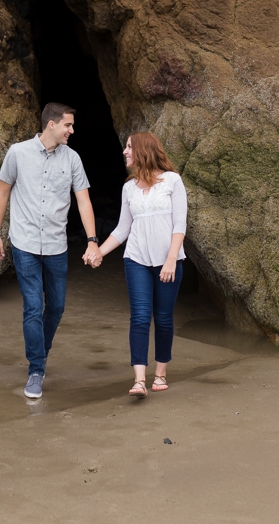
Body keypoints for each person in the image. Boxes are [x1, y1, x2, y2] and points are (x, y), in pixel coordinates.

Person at [0, 103, 97, 400]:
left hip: (55, 244)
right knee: (33, 307)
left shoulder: (73, 159)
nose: (72, 131)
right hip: (24, 242)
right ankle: (36, 369)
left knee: (58, 306)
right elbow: (3, 192)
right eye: (68, 125)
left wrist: (92, 239)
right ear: (51, 124)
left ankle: (40, 347)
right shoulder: (18, 153)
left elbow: (84, 201)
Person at [85, 132, 187, 397]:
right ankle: (140, 379)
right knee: (140, 317)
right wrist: (99, 253)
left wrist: (171, 260)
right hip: (137, 259)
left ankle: (161, 372)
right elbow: (122, 229)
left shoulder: (172, 182)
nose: (125, 151)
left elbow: (180, 225)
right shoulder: (128, 187)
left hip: (168, 261)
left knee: (163, 318)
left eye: (129, 147)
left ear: (142, 150)